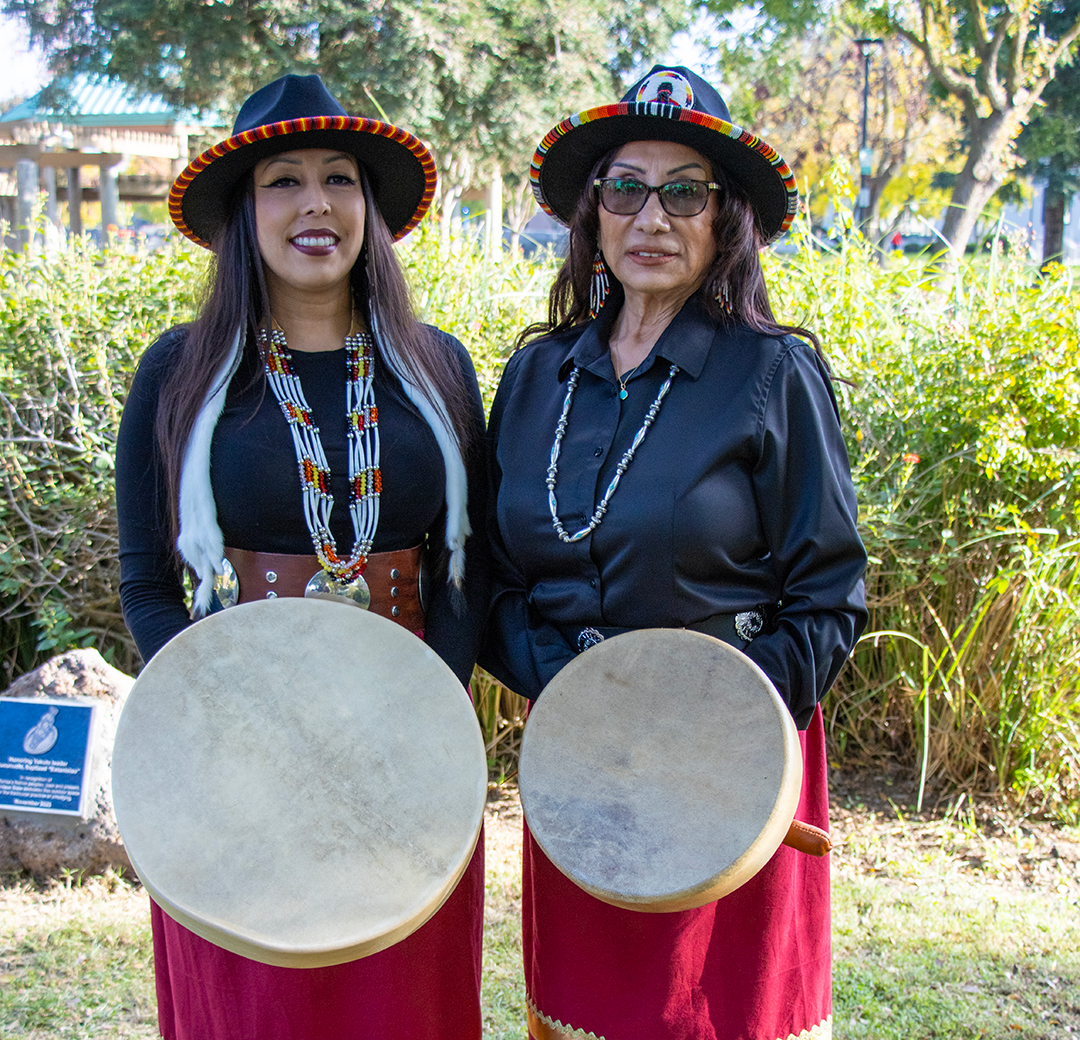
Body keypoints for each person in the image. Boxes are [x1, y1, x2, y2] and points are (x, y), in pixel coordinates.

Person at [481, 66, 867, 1040]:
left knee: (717, 1012)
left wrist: (710, 722)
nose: (652, 214)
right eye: (625, 187)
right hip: (581, 757)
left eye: (684, 190)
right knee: (586, 1010)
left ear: (723, 218)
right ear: (593, 214)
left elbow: (829, 591)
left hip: (733, 755)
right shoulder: (534, 376)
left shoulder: (772, 371)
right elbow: (491, 579)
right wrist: (580, 692)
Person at [116, 74, 488, 1040]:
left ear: (370, 207)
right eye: (282, 180)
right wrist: (235, 719)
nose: (316, 203)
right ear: (245, 212)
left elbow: (470, 569)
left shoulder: (439, 367)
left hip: (407, 747)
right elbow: (146, 578)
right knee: (255, 1006)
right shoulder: (181, 371)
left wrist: (413, 716)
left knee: (400, 1001)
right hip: (233, 753)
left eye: (340, 178)